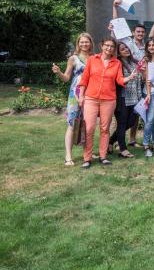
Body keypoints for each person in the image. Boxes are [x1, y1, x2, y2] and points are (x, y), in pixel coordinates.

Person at [77, 37, 138, 168]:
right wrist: (81, 96)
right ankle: (87, 158)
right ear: (102, 46)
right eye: (107, 45)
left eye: (112, 46)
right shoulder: (92, 59)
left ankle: (103, 156)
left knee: (105, 129)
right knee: (89, 128)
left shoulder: (116, 63)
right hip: (91, 98)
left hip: (109, 100)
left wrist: (128, 78)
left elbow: (119, 80)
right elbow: (84, 79)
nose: (109, 48)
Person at [52, 32, 93, 166]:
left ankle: (87, 153)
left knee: (87, 124)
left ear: (90, 43)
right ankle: (68, 156)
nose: (84, 44)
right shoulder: (73, 58)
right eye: (82, 42)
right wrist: (59, 72)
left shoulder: (94, 58)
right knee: (72, 123)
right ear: (78, 44)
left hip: (90, 94)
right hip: (75, 94)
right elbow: (66, 78)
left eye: (86, 42)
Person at [108, 42, 143, 158]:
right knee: (122, 124)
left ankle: (110, 141)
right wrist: (128, 78)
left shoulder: (134, 62)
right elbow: (117, 80)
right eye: (123, 49)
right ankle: (123, 149)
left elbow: (139, 79)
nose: (126, 50)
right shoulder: (117, 64)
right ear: (118, 52)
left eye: (127, 47)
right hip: (122, 98)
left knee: (131, 122)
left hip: (135, 97)